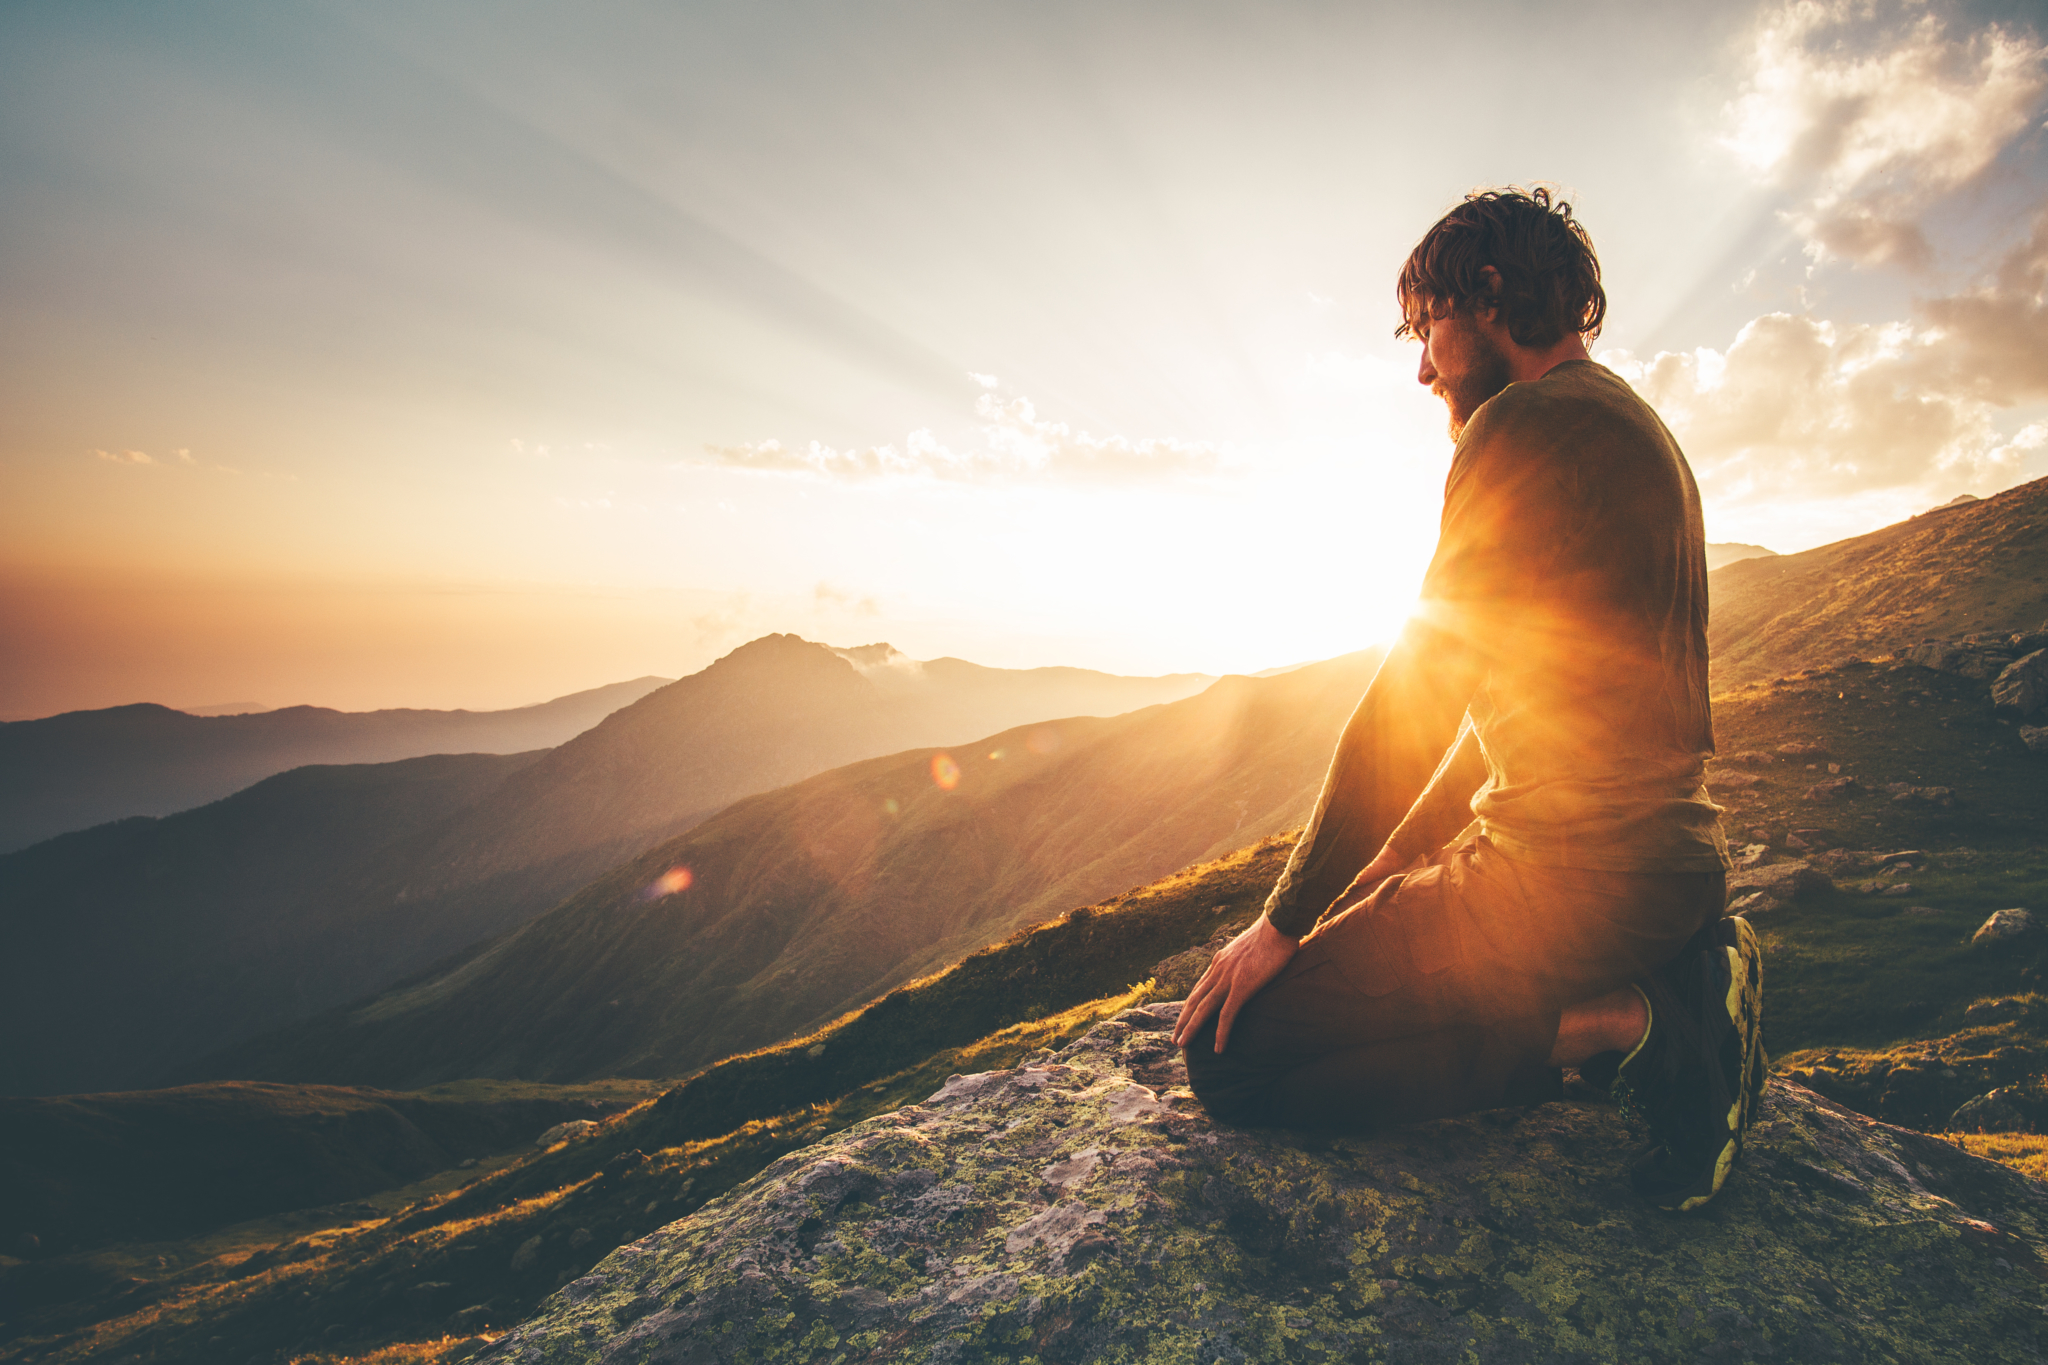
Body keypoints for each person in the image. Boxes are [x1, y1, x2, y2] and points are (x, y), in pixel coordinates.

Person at [1170, 186, 1764, 1212]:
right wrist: (1400, 851)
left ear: (1485, 294)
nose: (1419, 365)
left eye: (1424, 326)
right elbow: (1518, 687)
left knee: (1233, 1062)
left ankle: (1633, 1023)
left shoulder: (1520, 425)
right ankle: (1679, 973)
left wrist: (1282, 923)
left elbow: (1425, 681)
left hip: (1559, 883)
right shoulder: (1630, 423)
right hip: (1659, 871)